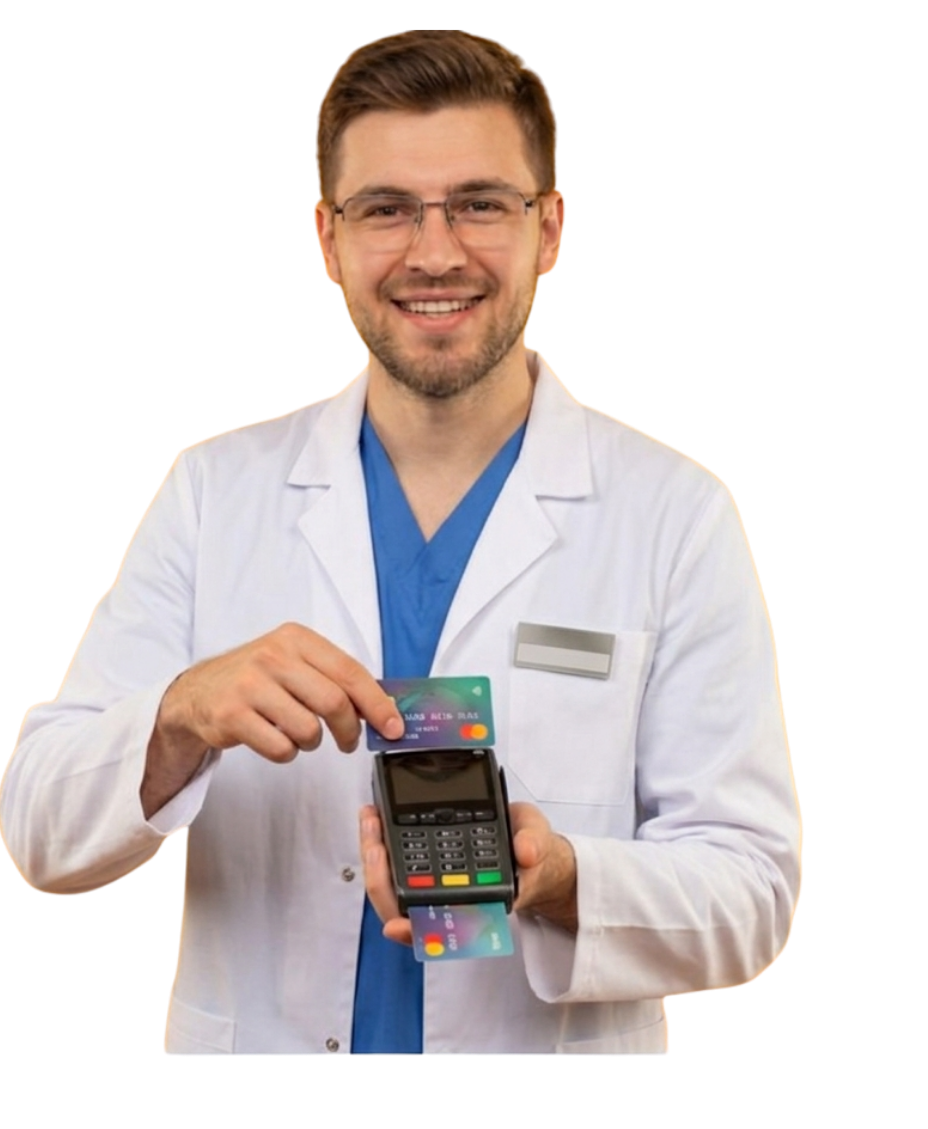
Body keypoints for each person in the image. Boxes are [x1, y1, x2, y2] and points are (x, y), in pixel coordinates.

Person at [0, 29, 800, 1056]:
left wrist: (561, 879)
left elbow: (754, 892)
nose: (434, 253)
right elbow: (39, 831)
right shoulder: (213, 490)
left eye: (480, 204)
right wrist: (181, 717)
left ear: (550, 229)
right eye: (385, 209)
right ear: (327, 240)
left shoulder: (676, 513)